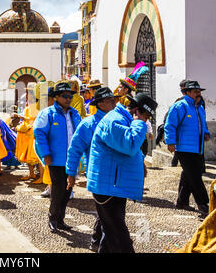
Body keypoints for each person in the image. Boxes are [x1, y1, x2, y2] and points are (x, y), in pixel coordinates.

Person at [87, 92, 157, 253]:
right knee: (119, 235)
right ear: (137, 111)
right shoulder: (115, 121)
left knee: (111, 232)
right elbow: (130, 144)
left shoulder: (122, 119)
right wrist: (139, 123)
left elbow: (126, 149)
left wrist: (140, 163)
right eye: (146, 116)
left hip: (113, 185)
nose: (146, 121)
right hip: (109, 186)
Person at [66, 87, 117, 252]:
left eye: (114, 99)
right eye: (110, 100)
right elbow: (74, 150)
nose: (114, 103)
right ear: (100, 104)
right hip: (98, 174)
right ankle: (104, 247)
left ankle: (96, 240)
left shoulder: (119, 121)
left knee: (107, 212)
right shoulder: (88, 124)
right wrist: (71, 173)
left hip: (117, 173)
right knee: (112, 215)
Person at [34, 81, 81, 233]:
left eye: (70, 96)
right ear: (56, 97)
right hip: (55, 159)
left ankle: (60, 219)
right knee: (58, 189)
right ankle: (53, 218)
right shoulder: (47, 113)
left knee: (68, 191)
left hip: (72, 159)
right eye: (64, 96)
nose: (68, 99)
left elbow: (80, 135)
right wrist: (45, 154)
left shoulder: (75, 114)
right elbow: (39, 134)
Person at [164, 81, 210, 217]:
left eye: (199, 91)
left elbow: (203, 124)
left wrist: (206, 132)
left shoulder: (200, 108)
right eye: (195, 91)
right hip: (184, 148)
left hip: (197, 147)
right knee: (195, 175)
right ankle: (203, 203)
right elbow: (170, 125)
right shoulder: (180, 106)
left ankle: (182, 201)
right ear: (188, 92)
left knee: (189, 174)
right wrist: (170, 142)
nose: (198, 94)